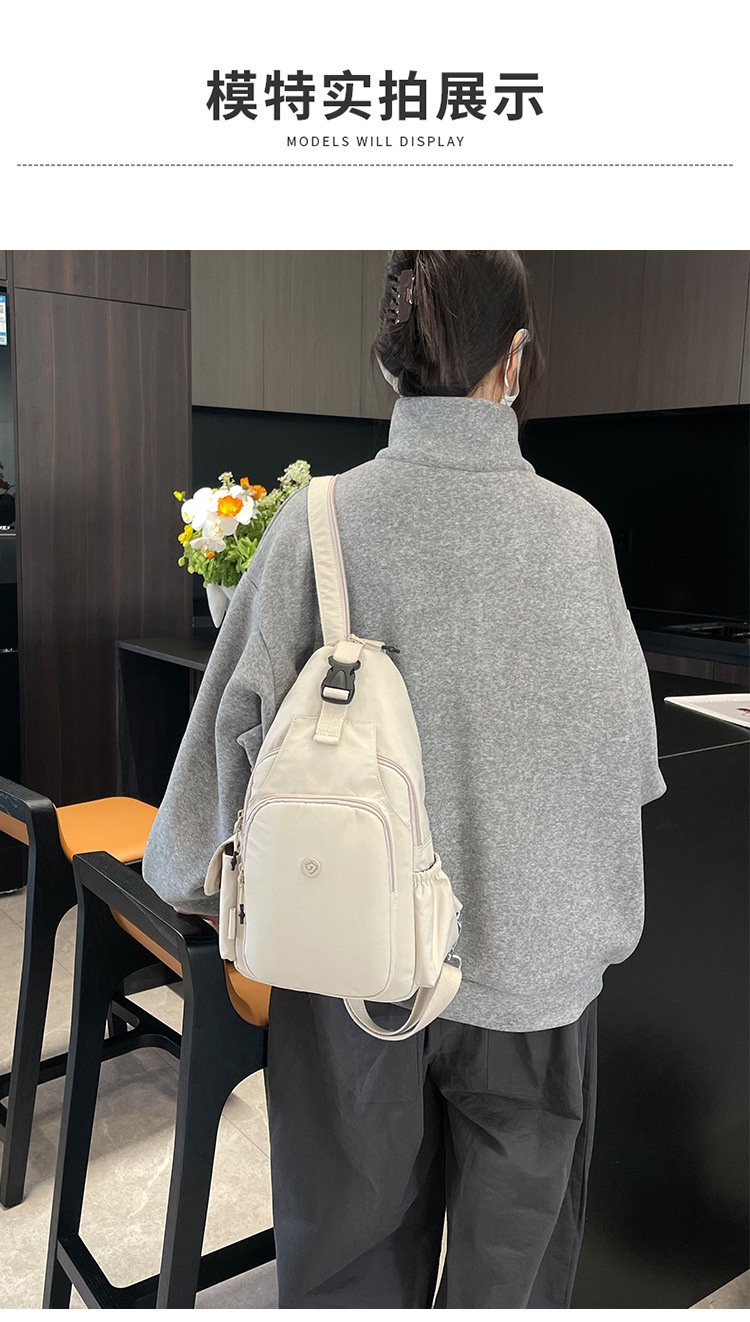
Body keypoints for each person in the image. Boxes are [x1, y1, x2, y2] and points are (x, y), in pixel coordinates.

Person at [141, 250, 667, 1308]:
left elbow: (216, 760)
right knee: (513, 1278)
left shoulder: (317, 523)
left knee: (347, 1273)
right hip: (537, 983)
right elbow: (629, 770)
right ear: (515, 360)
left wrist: (193, 885)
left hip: (351, 971)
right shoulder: (581, 536)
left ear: (388, 361)